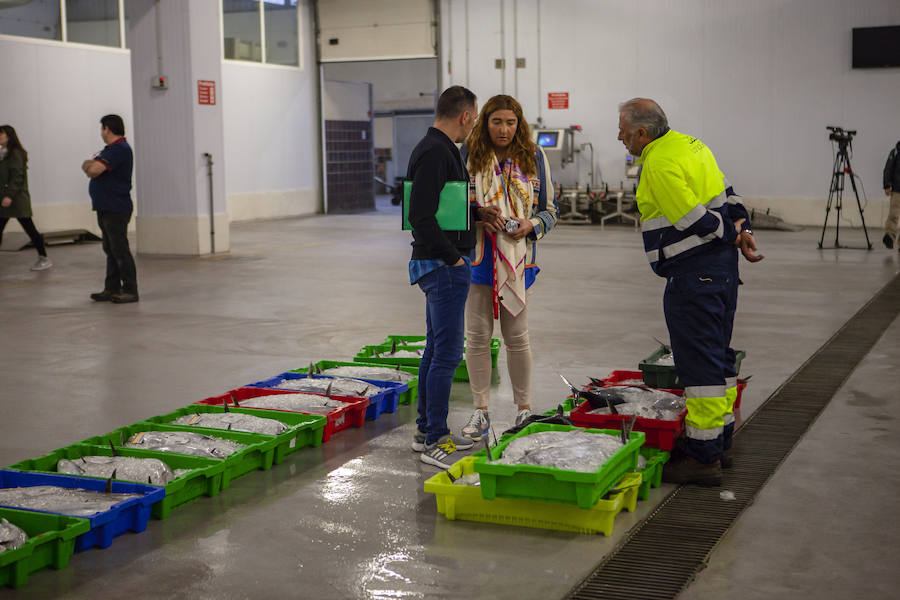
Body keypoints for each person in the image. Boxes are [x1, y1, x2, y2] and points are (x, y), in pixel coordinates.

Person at [617, 98, 762, 486]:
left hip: (695, 275)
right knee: (717, 356)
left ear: (642, 133)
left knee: (699, 366)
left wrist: (731, 235)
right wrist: (743, 229)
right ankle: (721, 442)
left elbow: (690, 218)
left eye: (623, 131)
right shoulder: (692, 145)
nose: (619, 137)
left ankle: (702, 457)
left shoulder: (659, 162)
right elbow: (729, 194)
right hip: (722, 271)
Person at [407, 86, 503, 469]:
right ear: (465, 116)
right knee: (446, 355)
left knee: (435, 350)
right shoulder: (436, 151)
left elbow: (443, 205)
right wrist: (454, 260)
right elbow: (420, 215)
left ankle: (424, 432)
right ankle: (435, 439)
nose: (474, 125)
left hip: (442, 263)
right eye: (475, 118)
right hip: (443, 266)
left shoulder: (438, 148)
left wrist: (476, 213)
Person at [458, 95, 557, 441]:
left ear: (519, 124)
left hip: (517, 260)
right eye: (497, 121)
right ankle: (481, 410)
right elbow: (454, 205)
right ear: (485, 122)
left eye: (511, 122)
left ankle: (524, 409)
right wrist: (477, 216)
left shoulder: (534, 156)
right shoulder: (468, 155)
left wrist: (532, 225)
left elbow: (551, 210)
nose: (504, 129)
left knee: (517, 337)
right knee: (478, 337)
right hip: (479, 259)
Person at [82, 114, 138, 303]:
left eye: (102, 128)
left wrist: (91, 166)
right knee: (110, 250)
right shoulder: (110, 149)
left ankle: (130, 289)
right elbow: (88, 165)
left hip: (116, 207)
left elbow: (93, 169)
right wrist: (90, 165)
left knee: (119, 249)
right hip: (106, 206)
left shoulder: (119, 149)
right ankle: (112, 288)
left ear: (107, 129)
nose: (101, 132)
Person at [0, 125, 52, 271]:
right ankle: (43, 257)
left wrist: (9, 195)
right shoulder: (4, 153)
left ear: (9, 136)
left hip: (16, 199)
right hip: (5, 199)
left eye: (1, 134)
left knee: (30, 229)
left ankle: (44, 258)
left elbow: (17, 177)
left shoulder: (15, 154)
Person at [882, 139, 900, 251]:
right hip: (897, 189)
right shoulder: (895, 152)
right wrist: (887, 185)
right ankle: (889, 236)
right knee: (893, 214)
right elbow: (888, 168)